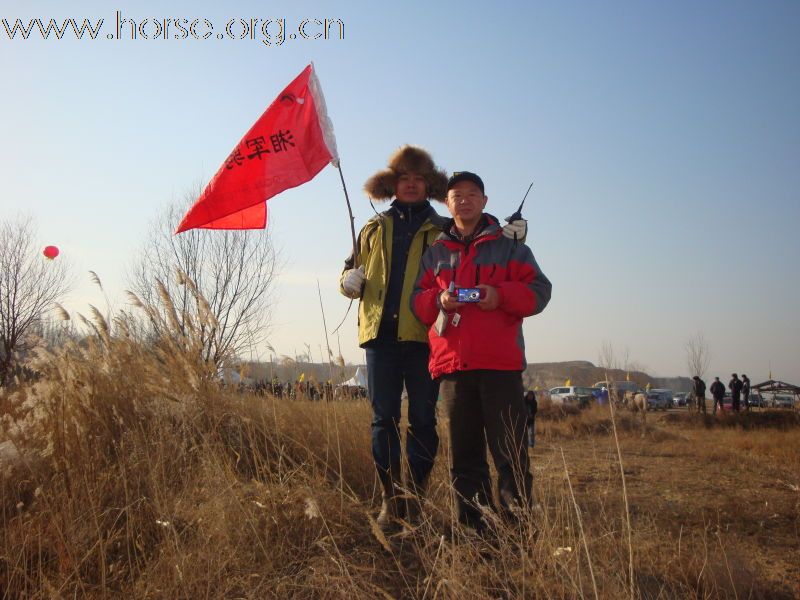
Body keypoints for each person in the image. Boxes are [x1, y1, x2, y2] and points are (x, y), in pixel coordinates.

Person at [338, 147, 529, 531]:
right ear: (393, 185)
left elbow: (479, 239)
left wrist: (515, 238)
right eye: (403, 178)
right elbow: (349, 271)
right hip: (379, 337)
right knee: (382, 421)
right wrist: (347, 283)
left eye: (418, 179)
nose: (410, 184)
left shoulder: (444, 229)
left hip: (428, 338)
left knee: (424, 422)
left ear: (429, 186)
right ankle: (392, 502)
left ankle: (417, 497)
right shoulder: (372, 229)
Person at [411, 171, 552, 531]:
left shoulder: (510, 248)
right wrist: (440, 299)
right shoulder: (436, 254)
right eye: (457, 195)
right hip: (454, 367)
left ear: (485, 202)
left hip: (500, 367)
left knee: (510, 456)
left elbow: (539, 292)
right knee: (465, 457)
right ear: (448, 203)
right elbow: (418, 303)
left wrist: (499, 295)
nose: (464, 200)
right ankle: (475, 533)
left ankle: (519, 534)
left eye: (472, 194)